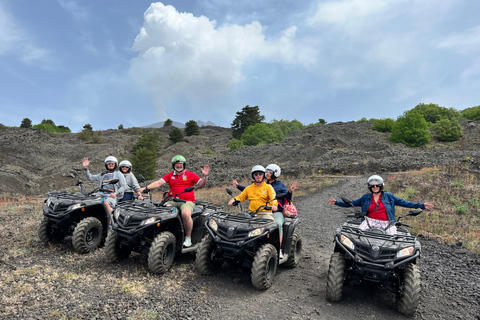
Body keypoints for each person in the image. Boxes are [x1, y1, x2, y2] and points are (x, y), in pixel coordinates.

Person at [140, 155, 209, 247]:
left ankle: (188, 237)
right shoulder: (170, 175)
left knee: (185, 214)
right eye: (177, 163)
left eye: (180, 163)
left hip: (187, 201)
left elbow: (202, 184)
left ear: (184, 165)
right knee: (162, 212)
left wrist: (205, 176)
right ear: (173, 165)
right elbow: (158, 183)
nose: (179, 165)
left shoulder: (190, 174)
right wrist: (146, 188)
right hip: (172, 200)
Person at [328, 175, 434, 235]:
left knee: (393, 240)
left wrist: (422, 205)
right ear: (370, 187)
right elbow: (352, 203)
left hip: (387, 223)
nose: (375, 187)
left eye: (377, 185)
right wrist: (337, 202)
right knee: (358, 236)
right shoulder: (366, 198)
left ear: (381, 185)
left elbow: (405, 203)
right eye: (372, 185)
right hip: (369, 221)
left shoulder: (389, 196)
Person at [232, 164, 298, 258]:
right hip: (262, 210)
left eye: (269, 172)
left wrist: (290, 192)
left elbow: (286, 198)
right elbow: (250, 190)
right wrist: (238, 186)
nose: (267, 174)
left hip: (276, 211)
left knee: (278, 224)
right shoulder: (263, 184)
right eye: (266, 172)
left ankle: (279, 249)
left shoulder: (280, 185)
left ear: (275, 173)